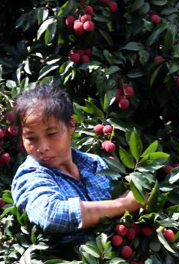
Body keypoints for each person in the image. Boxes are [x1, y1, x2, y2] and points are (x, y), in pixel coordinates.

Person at [10, 84, 142, 240]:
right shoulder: (29, 176)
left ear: (71, 125)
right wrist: (125, 204)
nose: (42, 147)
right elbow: (51, 215)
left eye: (51, 134)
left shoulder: (96, 164)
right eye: (30, 138)